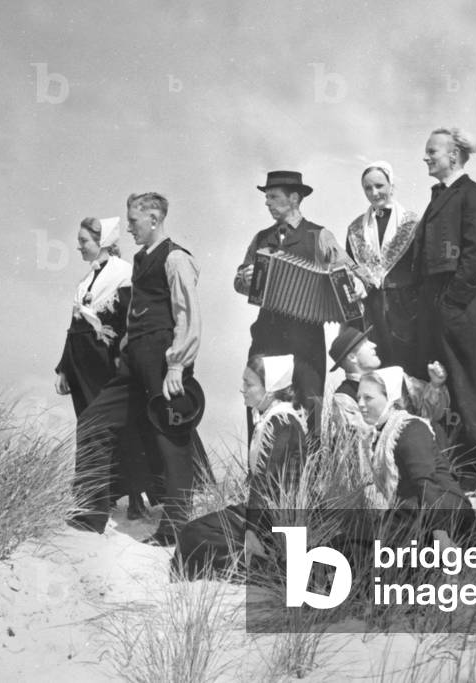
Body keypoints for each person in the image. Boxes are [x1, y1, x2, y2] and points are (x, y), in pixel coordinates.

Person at [70, 192, 209, 546]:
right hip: (134, 360)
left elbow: (187, 315)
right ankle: (89, 516)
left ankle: (174, 528)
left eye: (133, 220)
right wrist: (126, 350)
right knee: (93, 422)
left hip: (164, 357)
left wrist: (177, 365)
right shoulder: (140, 259)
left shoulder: (176, 258)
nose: (128, 227)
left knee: (170, 437)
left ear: (154, 217)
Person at [234, 170, 364, 439]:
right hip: (267, 335)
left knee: (309, 405)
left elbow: (351, 275)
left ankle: (313, 478)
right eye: (266, 197)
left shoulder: (320, 236)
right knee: (261, 404)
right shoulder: (261, 238)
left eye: (273, 197)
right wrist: (245, 278)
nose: (267, 203)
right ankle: (261, 473)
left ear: (294, 198)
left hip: (305, 338)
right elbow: (240, 281)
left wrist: (350, 282)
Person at [411, 127, 476, 494]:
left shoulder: (474, 195)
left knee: (467, 383)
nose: (426, 157)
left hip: (457, 303)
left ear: (454, 155)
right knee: (440, 388)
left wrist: (451, 301)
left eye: (432, 151)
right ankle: (453, 472)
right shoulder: (438, 198)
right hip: (435, 304)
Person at [173, 355, 307, 579]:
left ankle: (267, 569)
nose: (242, 389)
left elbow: (267, 483)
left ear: (271, 389)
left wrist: (252, 531)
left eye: (249, 384)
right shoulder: (272, 419)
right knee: (192, 533)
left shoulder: (281, 422)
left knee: (194, 538)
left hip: (273, 520)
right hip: (262, 512)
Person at [55, 217, 153, 519]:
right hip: (81, 362)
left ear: (103, 242)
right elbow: (75, 325)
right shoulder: (85, 281)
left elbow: (130, 321)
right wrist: (63, 369)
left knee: (119, 428)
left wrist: (124, 358)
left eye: (84, 241)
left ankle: (135, 496)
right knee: (89, 428)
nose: (79, 246)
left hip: (107, 362)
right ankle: (100, 494)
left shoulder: (123, 274)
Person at [355, 367, 476, 549]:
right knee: (355, 542)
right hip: (412, 511)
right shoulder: (382, 434)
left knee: (366, 551)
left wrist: (442, 536)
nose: (360, 403)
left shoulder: (410, 429)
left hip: (443, 514)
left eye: (368, 398)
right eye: (359, 397)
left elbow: (425, 482)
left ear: (390, 398)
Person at [345, 161, 424, 378]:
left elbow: (421, 270)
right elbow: (350, 269)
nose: (374, 192)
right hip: (371, 310)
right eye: (368, 188)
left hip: (405, 309)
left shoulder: (412, 223)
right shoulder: (355, 229)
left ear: (391, 185)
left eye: (379, 185)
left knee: (407, 371)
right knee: (376, 374)